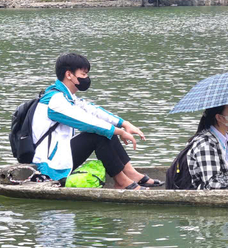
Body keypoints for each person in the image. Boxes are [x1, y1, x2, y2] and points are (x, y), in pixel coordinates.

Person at [31, 53, 160, 190]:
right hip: (49, 166)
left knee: (105, 130)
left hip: (60, 157)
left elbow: (93, 111)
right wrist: (119, 132)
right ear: (69, 75)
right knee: (98, 134)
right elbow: (87, 122)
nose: (87, 78)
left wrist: (123, 123)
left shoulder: (68, 97)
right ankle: (122, 182)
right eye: (84, 74)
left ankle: (130, 173)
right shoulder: (55, 101)